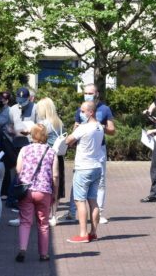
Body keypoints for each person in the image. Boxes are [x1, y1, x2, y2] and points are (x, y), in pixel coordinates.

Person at [58, 84, 115, 225]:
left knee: (100, 183)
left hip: (99, 149)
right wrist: (76, 130)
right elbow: (75, 129)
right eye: (85, 93)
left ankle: (99, 213)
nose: (87, 95)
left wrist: (100, 128)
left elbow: (112, 130)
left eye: (90, 93)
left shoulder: (104, 109)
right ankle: (72, 212)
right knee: (77, 181)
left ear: (97, 94)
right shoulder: (81, 109)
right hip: (83, 150)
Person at [15, 124, 58, 262]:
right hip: (44, 190)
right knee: (43, 223)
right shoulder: (51, 152)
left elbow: (18, 169)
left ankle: (22, 249)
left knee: (25, 221)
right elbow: (55, 175)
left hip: (26, 190)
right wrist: (55, 193)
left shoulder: (24, 149)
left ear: (32, 135)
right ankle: (44, 254)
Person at [65, 101, 104, 243]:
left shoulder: (84, 128)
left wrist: (74, 131)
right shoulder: (99, 127)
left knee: (80, 201)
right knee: (93, 200)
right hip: (96, 166)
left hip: (83, 168)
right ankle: (93, 232)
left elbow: (68, 140)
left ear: (90, 112)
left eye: (83, 111)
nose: (80, 114)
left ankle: (83, 234)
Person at [7, 87, 37, 225]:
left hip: (31, 144)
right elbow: (10, 125)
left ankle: (26, 201)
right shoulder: (13, 109)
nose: (21, 103)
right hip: (17, 144)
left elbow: (39, 127)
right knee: (18, 173)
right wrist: (12, 131)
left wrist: (29, 132)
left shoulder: (35, 108)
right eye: (19, 100)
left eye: (23, 100)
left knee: (29, 174)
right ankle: (18, 200)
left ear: (29, 98)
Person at [35, 97, 65, 227]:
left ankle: (45, 213)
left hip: (47, 157)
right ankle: (54, 215)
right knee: (57, 185)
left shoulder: (44, 124)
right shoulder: (59, 122)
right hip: (59, 157)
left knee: (46, 185)